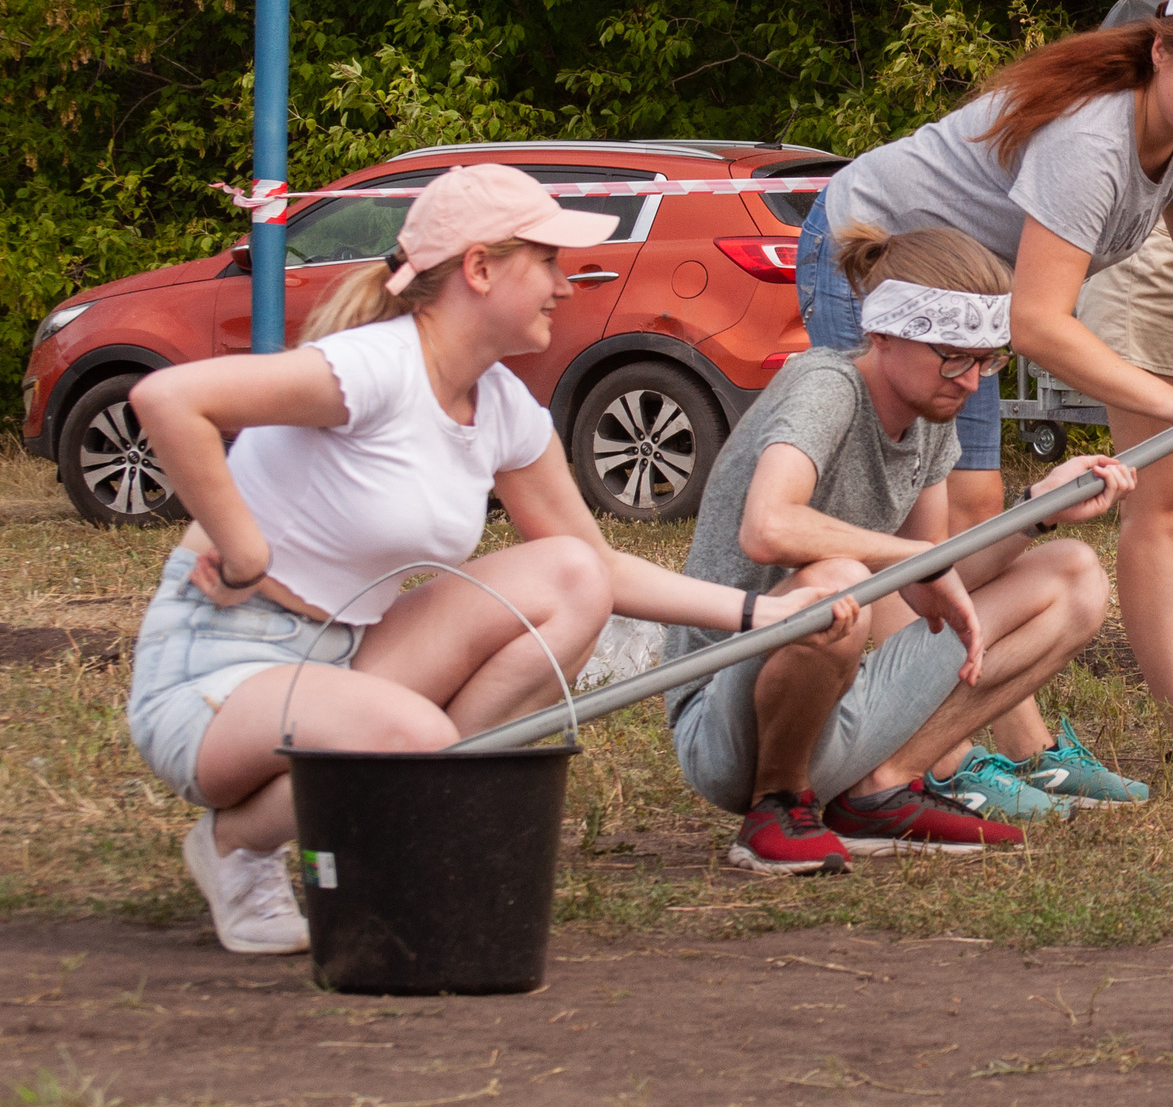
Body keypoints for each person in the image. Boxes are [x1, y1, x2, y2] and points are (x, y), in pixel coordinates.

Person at [124, 167, 850, 953]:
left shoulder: (501, 403)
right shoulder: (374, 365)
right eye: (546, 261)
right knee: (408, 733)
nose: (565, 285)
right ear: (477, 268)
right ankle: (239, 844)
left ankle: (408, 794)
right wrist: (243, 547)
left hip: (344, 655)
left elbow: (600, 568)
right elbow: (170, 399)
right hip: (219, 670)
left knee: (572, 576)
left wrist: (768, 613)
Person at [816, 0, 1173, 796]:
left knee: (974, 512)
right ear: (1161, 49)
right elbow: (1040, 322)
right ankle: (931, 765)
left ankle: (1020, 750)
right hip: (870, 255)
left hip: (969, 295)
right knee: (914, 527)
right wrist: (1172, 399)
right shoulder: (1093, 140)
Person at [663, 223, 1140, 870]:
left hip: (835, 700)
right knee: (835, 581)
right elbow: (768, 527)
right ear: (884, 333)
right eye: (953, 356)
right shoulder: (826, 385)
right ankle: (775, 806)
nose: (971, 381)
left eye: (987, 359)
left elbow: (934, 580)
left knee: (1074, 575)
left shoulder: (929, 419)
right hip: (725, 726)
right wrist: (908, 559)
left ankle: (880, 789)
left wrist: (1037, 513)